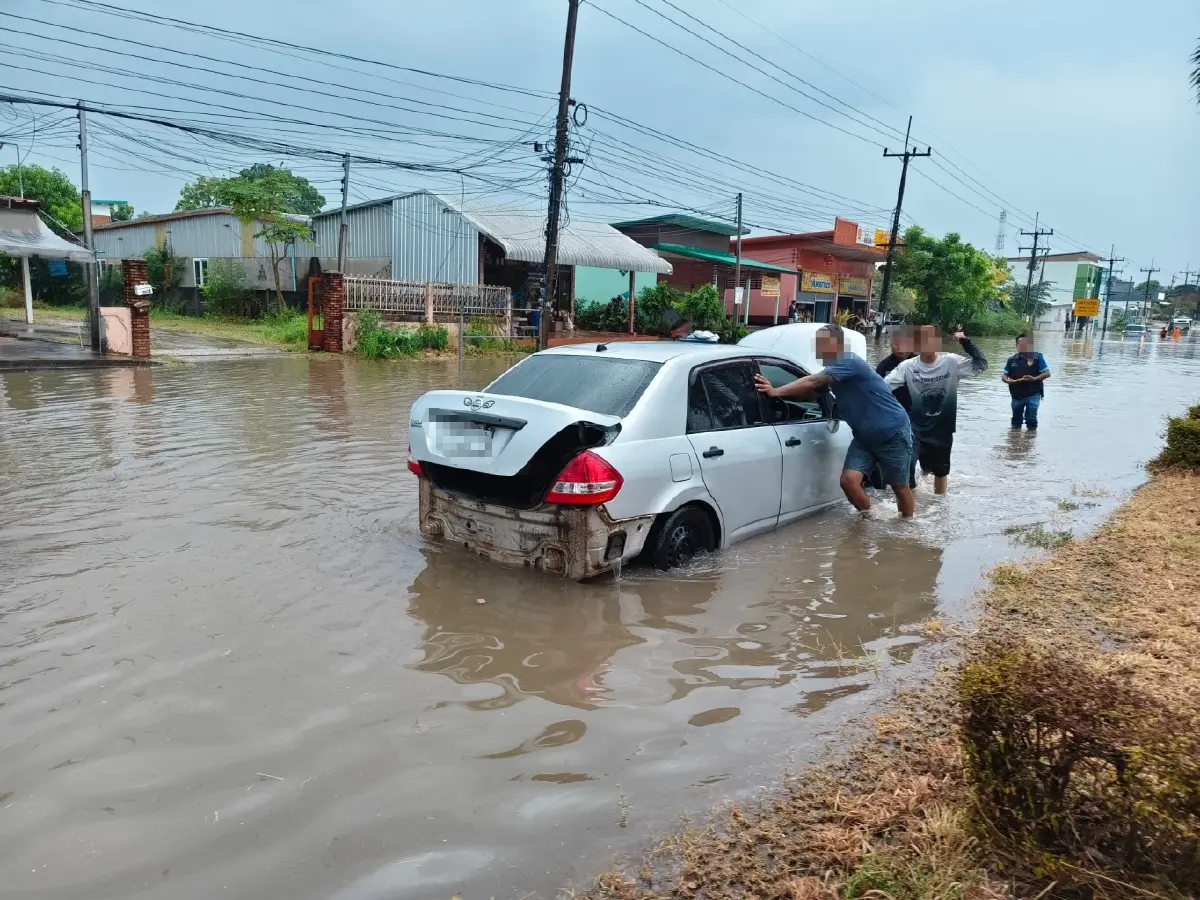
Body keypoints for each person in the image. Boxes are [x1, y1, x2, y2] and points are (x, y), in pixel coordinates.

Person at [753, 324, 915, 517]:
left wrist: (775, 390)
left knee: (900, 487)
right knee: (848, 482)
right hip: (864, 438)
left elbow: (812, 381)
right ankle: (871, 520)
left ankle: (906, 529)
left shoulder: (849, 361)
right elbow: (811, 395)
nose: (818, 348)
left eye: (822, 343)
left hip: (892, 432)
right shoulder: (833, 370)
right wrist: (776, 398)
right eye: (817, 344)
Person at [883, 324, 987, 495]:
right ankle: (912, 512)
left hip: (942, 428)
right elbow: (882, 388)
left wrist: (965, 341)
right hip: (915, 428)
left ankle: (939, 508)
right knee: (907, 468)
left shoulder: (951, 362)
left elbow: (981, 364)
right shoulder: (907, 366)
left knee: (940, 472)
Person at [875, 326, 918, 489]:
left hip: (918, 414)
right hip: (893, 416)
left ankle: (912, 488)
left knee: (914, 456)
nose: (899, 348)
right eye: (895, 344)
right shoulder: (884, 366)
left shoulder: (921, 363)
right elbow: (876, 392)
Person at [1002, 332, 1050, 431]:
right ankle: (1015, 440)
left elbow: (1047, 373)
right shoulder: (1012, 360)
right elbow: (1004, 375)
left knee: (1031, 419)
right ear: (1017, 346)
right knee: (1016, 420)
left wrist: (1035, 379)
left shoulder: (1037, 357)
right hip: (1016, 394)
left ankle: (1030, 441)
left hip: (1033, 393)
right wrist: (1007, 380)